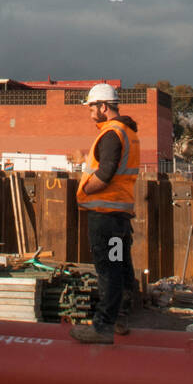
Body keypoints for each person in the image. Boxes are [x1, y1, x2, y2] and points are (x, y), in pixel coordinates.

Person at [71, 84, 139, 345]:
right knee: (120, 267)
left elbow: (106, 172)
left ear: (103, 107)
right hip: (119, 216)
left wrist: (86, 188)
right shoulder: (128, 132)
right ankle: (119, 318)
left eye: (91, 107)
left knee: (108, 270)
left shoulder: (111, 134)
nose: (89, 112)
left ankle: (103, 327)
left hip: (106, 216)